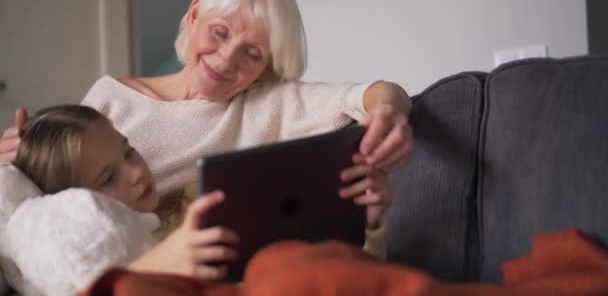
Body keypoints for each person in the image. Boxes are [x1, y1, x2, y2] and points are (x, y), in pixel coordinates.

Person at [0, 0, 412, 260]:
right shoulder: (109, 98)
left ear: (266, 68)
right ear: (195, 16)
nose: (227, 59)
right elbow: (60, 190)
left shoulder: (266, 104)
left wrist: (389, 113)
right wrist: (20, 161)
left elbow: (378, 93)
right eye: (219, 32)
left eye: (251, 53)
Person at [12, 104, 392, 282]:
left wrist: (363, 222)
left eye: (128, 151)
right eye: (108, 178)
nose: (134, 172)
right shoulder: (86, 260)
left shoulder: (201, 200)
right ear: (76, 205)